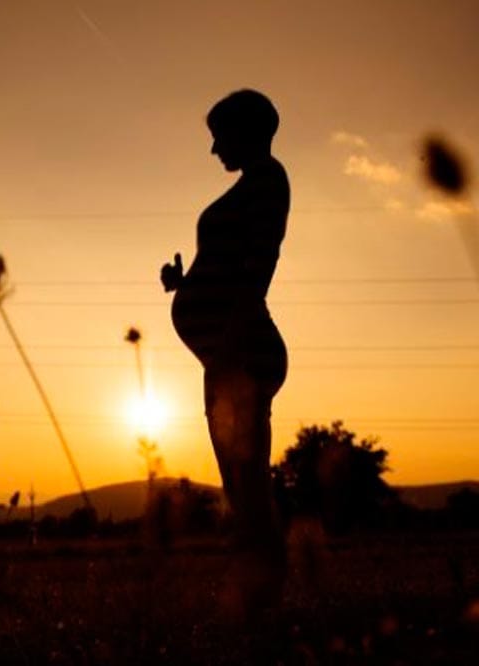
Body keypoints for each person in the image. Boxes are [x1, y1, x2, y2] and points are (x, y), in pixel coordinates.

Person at [161, 89, 289, 618]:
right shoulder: (252, 184)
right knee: (240, 481)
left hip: (241, 350)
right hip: (226, 353)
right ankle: (256, 589)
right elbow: (231, 262)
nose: (214, 149)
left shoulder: (266, 180)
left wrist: (232, 336)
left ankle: (263, 596)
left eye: (220, 135)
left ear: (246, 130)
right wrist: (184, 284)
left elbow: (258, 262)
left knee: (247, 481)